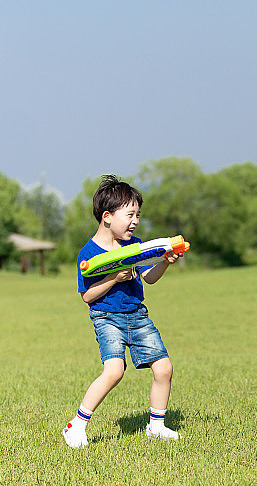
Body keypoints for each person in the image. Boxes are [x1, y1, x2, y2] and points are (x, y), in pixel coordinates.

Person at [62, 175, 182, 448]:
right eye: (130, 214)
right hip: (107, 318)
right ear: (107, 217)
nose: (135, 221)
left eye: (138, 215)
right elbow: (87, 296)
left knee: (164, 368)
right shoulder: (88, 253)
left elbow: (149, 278)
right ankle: (76, 425)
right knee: (114, 371)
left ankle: (157, 426)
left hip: (137, 315)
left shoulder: (133, 246)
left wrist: (165, 262)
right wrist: (114, 278)